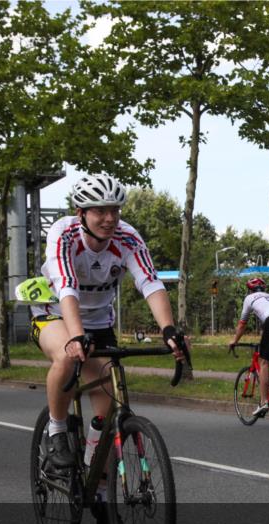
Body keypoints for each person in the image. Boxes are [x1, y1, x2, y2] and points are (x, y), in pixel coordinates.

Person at [31, 174, 186, 474]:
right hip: (55, 314)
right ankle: (57, 431)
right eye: (100, 211)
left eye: (114, 210)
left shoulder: (127, 238)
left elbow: (151, 284)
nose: (109, 218)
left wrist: (169, 330)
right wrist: (76, 336)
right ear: (81, 214)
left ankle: (95, 474)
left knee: (105, 414)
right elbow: (66, 287)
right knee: (65, 355)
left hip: (99, 322)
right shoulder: (64, 234)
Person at [228, 277, 269, 418]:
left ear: (249, 289)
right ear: (263, 289)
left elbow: (242, 324)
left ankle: (264, 402)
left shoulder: (249, 298)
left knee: (264, 362)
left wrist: (234, 340)